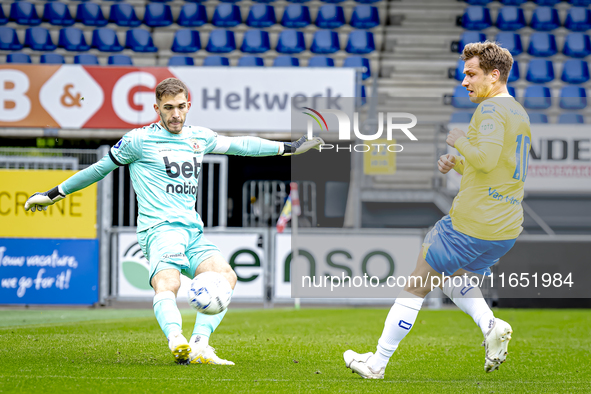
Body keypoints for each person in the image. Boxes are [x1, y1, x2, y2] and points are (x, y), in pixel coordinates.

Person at [25, 78, 323, 365]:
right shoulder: (138, 140)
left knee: (226, 277)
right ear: (157, 109)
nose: (175, 114)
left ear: (188, 105)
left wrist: (290, 148)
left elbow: (241, 144)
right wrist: (54, 194)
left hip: (192, 231)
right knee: (169, 282)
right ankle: (175, 338)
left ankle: (200, 345)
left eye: (180, 106)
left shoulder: (198, 137)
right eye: (168, 107)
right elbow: (99, 169)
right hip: (159, 230)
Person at [344, 41, 531, 378]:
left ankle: (377, 363)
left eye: (471, 74)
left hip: (472, 221)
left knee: (416, 283)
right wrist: (459, 164)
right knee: (451, 278)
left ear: (494, 74)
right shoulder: (518, 111)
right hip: (505, 227)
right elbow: (494, 168)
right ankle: (490, 324)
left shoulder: (489, 111)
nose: (465, 81)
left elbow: (486, 158)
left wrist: (458, 139)